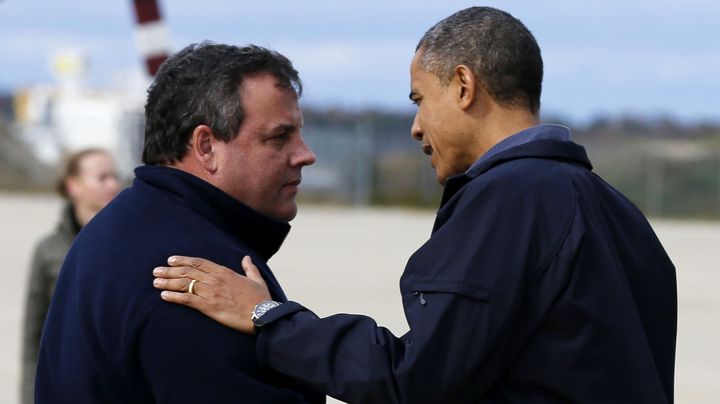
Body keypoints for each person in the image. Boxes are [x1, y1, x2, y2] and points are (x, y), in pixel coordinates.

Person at [153, 7, 678, 404]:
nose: (416, 127)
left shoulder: (512, 199)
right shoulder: (620, 213)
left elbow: (415, 380)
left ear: (464, 86)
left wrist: (267, 317)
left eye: (419, 99)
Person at [35, 42, 324, 403]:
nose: (305, 154)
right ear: (206, 146)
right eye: (279, 137)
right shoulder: (195, 276)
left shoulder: (118, 227)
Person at [21, 148, 120, 404]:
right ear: (73, 186)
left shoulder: (129, 244)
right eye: (102, 177)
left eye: (114, 176)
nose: (113, 184)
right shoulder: (48, 250)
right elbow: (34, 339)